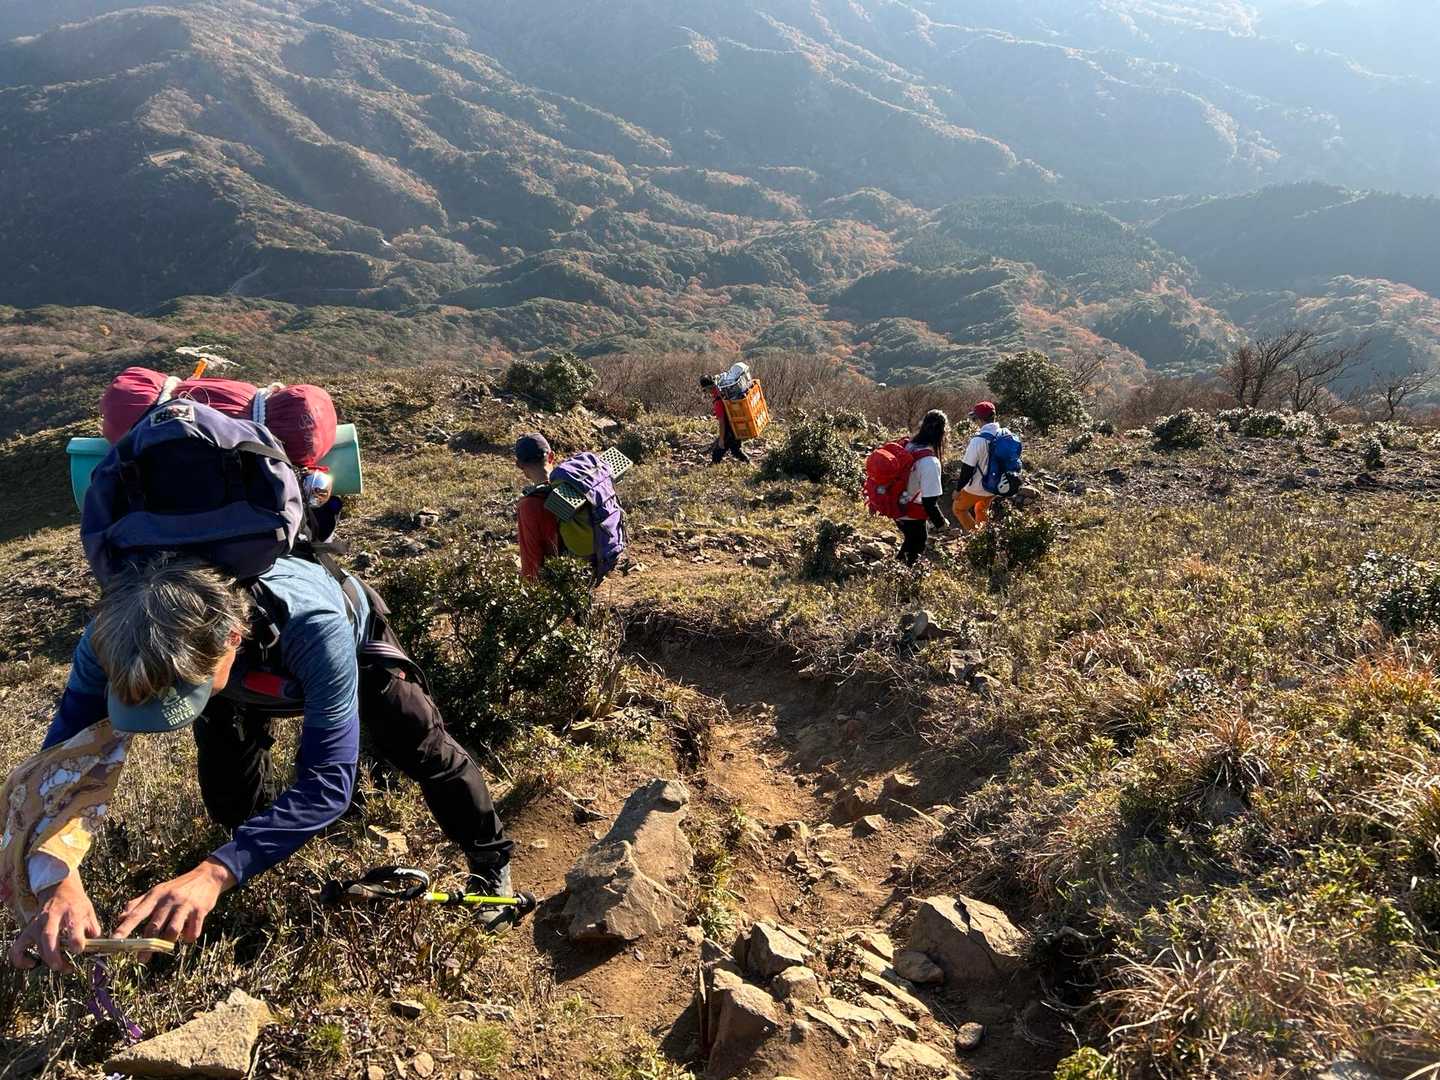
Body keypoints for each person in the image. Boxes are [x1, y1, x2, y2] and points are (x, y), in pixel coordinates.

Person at [9, 552, 517, 972]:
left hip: (345, 652)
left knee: (421, 746)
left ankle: (490, 862)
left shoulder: (315, 627)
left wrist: (213, 873)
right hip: (229, 684)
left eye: (184, 693)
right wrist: (56, 882)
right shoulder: (108, 639)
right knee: (230, 798)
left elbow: (326, 782)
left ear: (233, 637)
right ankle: (271, 862)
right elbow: (53, 772)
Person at [896, 409, 950, 565]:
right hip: (909, 509)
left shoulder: (909, 445)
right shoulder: (930, 462)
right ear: (943, 433)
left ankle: (896, 568)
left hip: (895, 502)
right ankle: (902, 574)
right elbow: (929, 502)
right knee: (918, 541)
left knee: (912, 538)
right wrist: (941, 523)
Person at [515, 433, 564, 580]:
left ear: (520, 465)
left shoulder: (529, 505)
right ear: (551, 456)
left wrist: (529, 587)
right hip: (591, 566)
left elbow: (531, 559)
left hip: (561, 580)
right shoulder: (570, 486)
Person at [953, 401, 1001, 532]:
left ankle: (975, 536)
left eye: (975, 419)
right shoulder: (1003, 435)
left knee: (958, 509)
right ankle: (984, 536)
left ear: (979, 419)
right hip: (994, 486)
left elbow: (967, 469)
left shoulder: (978, 441)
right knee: (981, 509)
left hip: (976, 488)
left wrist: (958, 489)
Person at [701, 375, 750, 464]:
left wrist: (721, 440)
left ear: (708, 388)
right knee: (735, 450)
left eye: (705, 390)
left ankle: (713, 470)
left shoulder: (718, 401)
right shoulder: (722, 391)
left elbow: (722, 422)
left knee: (716, 454)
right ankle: (749, 463)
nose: (706, 392)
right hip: (735, 426)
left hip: (729, 430)